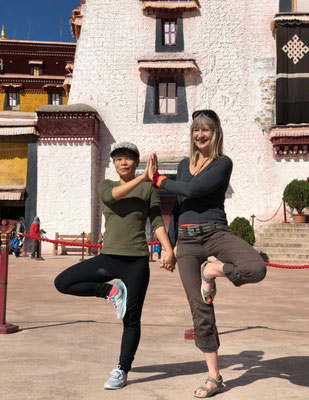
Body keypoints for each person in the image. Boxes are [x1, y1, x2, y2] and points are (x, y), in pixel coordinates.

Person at [148, 109, 266, 398]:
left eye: (206, 130)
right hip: (187, 244)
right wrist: (169, 246)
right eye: (196, 130)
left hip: (215, 233)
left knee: (255, 267)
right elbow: (178, 205)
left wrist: (158, 180)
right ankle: (214, 377)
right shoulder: (184, 165)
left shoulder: (222, 163)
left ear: (216, 134)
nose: (200, 135)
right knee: (200, 311)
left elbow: (195, 189)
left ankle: (211, 271)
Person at [54, 142, 176, 390]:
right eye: (119, 158)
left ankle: (122, 369)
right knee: (62, 282)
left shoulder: (148, 189)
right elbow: (112, 197)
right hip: (108, 258)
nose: (123, 162)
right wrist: (143, 176)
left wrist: (168, 249)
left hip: (136, 262)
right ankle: (111, 291)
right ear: (113, 163)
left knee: (132, 319)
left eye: (129, 158)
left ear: (135, 161)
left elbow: (156, 221)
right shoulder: (106, 185)